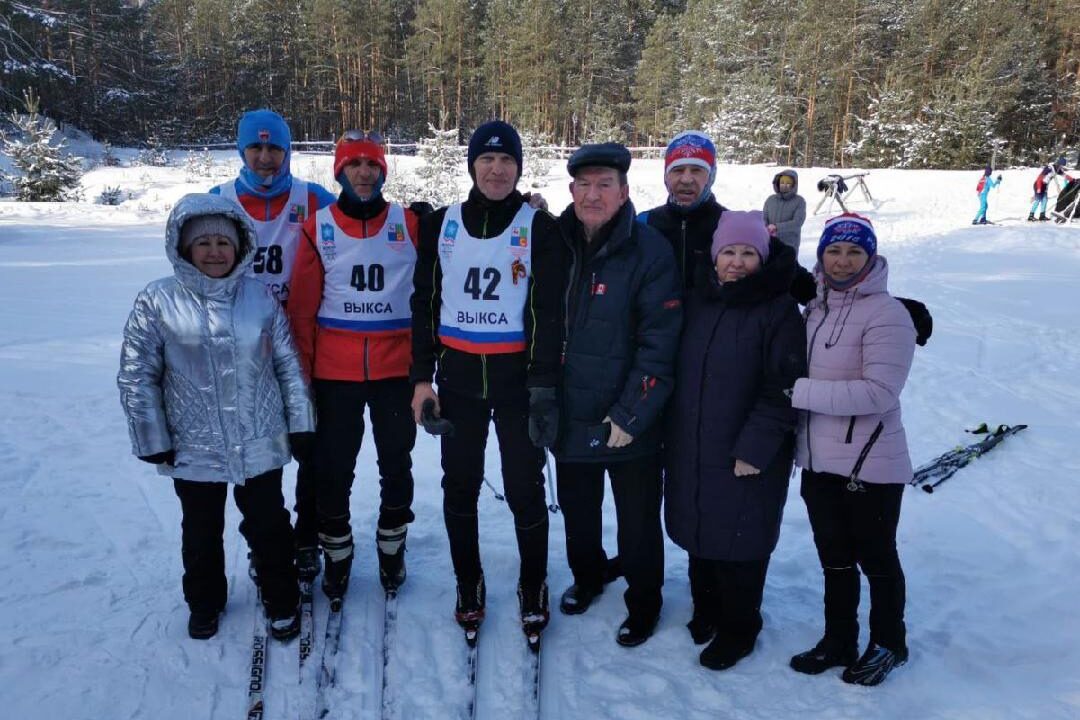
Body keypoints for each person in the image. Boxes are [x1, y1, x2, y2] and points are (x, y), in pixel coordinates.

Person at [118, 193, 314, 641]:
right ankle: (205, 601)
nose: (213, 251)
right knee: (202, 530)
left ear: (240, 246)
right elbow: (137, 374)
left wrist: (301, 422)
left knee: (269, 525)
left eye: (223, 243)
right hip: (192, 443)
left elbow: (288, 364)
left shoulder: (260, 298)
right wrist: (152, 437)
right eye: (202, 242)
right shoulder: (157, 301)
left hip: (258, 436)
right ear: (184, 248)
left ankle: (280, 597)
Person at [409, 120, 563, 642]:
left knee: (524, 487)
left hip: (517, 383)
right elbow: (424, 304)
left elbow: (546, 314)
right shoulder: (442, 225)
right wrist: (420, 380)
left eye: (506, 161)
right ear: (472, 165)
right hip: (457, 383)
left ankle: (533, 582)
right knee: (460, 486)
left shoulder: (538, 227)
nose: (496, 170)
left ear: (519, 167)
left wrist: (543, 386)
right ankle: (468, 582)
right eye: (487, 161)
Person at [287, 131, 428, 602]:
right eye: (354, 166)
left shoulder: (408, 223)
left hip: (394, 370)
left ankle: (392, 547)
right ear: (339, 173)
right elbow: (302, 312)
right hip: (335, 373)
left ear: (383, 172)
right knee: (333, 470)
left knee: (396, 463)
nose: (364, 174)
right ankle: (338, 555)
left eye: (372, 166)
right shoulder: (317, 227)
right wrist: (303, 379)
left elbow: (462, 245)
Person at [664, 210, 806, 670]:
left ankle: (741, 627)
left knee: (741, 541)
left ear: (762, 258)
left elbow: (783, 386)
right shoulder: (699, 301)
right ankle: (707, 609)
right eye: (729, 252)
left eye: (748, 253)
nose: (737, 262)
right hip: (694, 440)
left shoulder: (778, 310)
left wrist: (755, 447)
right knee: (699, 530)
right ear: (715, 256)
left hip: (746, 447)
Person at [554, 142, 682, 647]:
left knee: (637, 524)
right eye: (584, 185)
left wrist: (631, 414)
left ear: (624, 191)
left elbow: (661, 341)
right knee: (579, 514)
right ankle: (587, 578)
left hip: (631, 420)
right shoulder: (556, 240)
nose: (593, 194)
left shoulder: (649, 250)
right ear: (571, 191)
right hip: (570, 413)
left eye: (604, 184)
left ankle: (645, 602)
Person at [788, 213, 916, 686]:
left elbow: (878, 392)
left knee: (877, 560)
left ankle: (889, 643)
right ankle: (838, 639)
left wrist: (794, 391)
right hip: (819, 460)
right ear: (821, 255)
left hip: (870, 465)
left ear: (871, 257)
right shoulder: (816, 308)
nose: (842, 262)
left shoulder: (888, 314)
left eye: (854, 253)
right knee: (834, 557)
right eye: (834, 251)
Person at [210, 109, 335, 578]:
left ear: (287, 151)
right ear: (242, 150)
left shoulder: (314, 199)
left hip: (305, 350)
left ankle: (307, 539)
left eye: (274, 148)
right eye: (256, 148)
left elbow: (367, 230)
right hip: (243, 355)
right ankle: (267, 540)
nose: (265, 158)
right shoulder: (218, 201)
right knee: (256, 458)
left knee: (312, 453)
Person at [638, 130, 726, 291]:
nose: (686, 179)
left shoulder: (730, 225)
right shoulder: (644, 224)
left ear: (711, 176)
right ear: (666, 176)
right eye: (678, 170)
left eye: (696, 170)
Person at [763, 169, 807, 251]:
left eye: (788, 183)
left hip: (789, 245)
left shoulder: (799, 201)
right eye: (782, 183)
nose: (784, 185)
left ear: (794, 185)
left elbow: (797, 222)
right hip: (770, 243)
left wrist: (777, 227)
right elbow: (763, 217)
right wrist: (766, 227)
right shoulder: (770, 200)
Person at [1029, 156, 1071, 221]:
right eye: (1061, 166)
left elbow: (1065, 175)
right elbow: (1040, 177)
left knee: (1045, 200)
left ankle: (1042, 216)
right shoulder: (1049, 168)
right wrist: (1039, 188)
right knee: (1038, 200)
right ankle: (1031, 216)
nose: (1062, 167)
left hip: (1045, 186)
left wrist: (1073, 180)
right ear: (1058, 164)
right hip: (1039, 184)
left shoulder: (1057, 170)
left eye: (1062, 166)